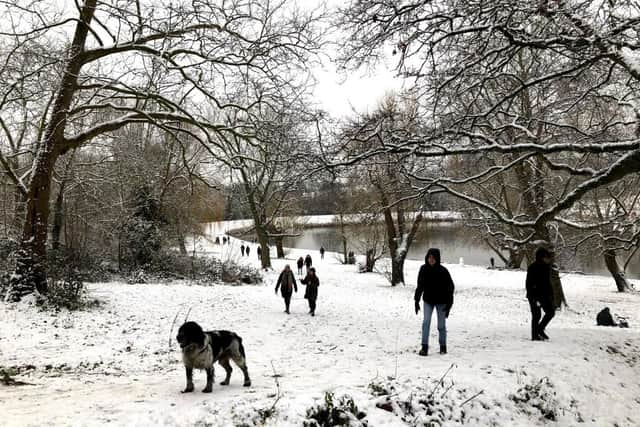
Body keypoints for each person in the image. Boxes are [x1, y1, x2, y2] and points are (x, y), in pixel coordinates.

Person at [414, 248, 455, 356]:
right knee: (426, 322)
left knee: (441, 326)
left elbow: (450, 288)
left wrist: (449, 304)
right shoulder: (423, 269)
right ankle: (424, 347)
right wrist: (416, 300)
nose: (431, 260)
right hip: (428, 301)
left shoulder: (443, 271)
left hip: (442, 302)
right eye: (429, 257)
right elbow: (420, 286)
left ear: (437, 259)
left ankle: (443, 347)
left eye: (433, 258)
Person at [526, 247, 556, 341]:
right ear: (542, 257)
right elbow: (529, 283)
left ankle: (540, 329)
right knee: (536, 315)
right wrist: (534, 298)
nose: (548, 259)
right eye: (547, 257)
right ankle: (535, 335)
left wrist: (551, 294)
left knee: (550, 312)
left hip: (544, 295)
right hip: (534, 296)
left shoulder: (546, 267)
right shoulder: (533, 267)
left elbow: (547, 283)